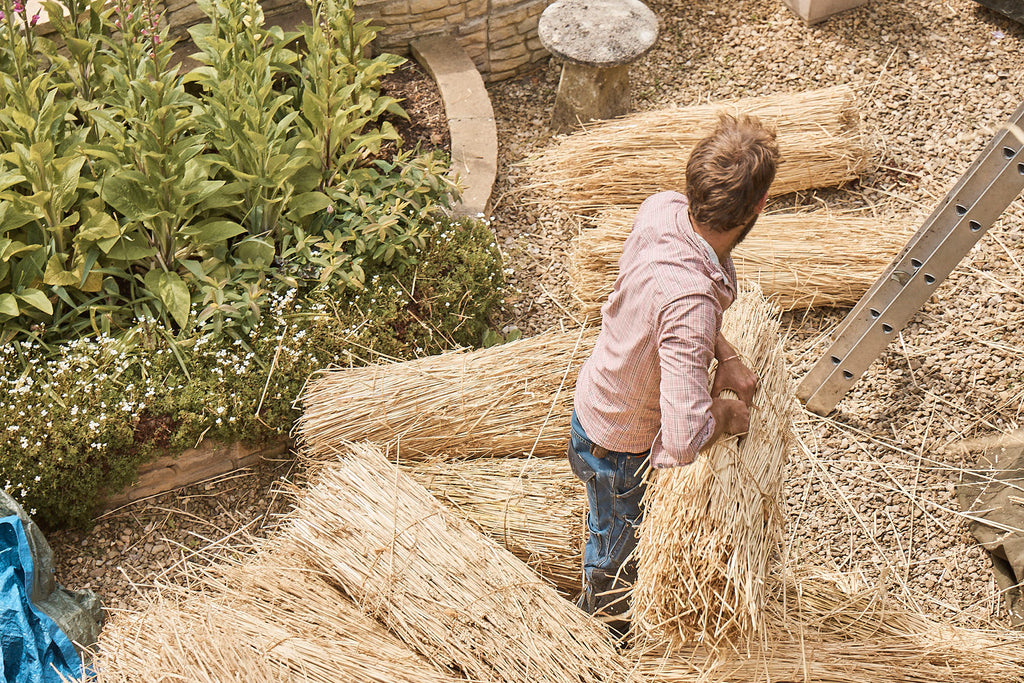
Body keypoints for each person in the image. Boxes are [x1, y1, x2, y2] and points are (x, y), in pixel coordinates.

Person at [568, 113, 780, 635]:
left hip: (601, 389)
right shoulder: (691, 303)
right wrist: (727, 416)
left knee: (609, 522)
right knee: (614, 547)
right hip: (616, 444)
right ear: (759, 207)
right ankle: (604, 631)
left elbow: (666, 308)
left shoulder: (662, 209)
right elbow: (684, 439)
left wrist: (724, 351)